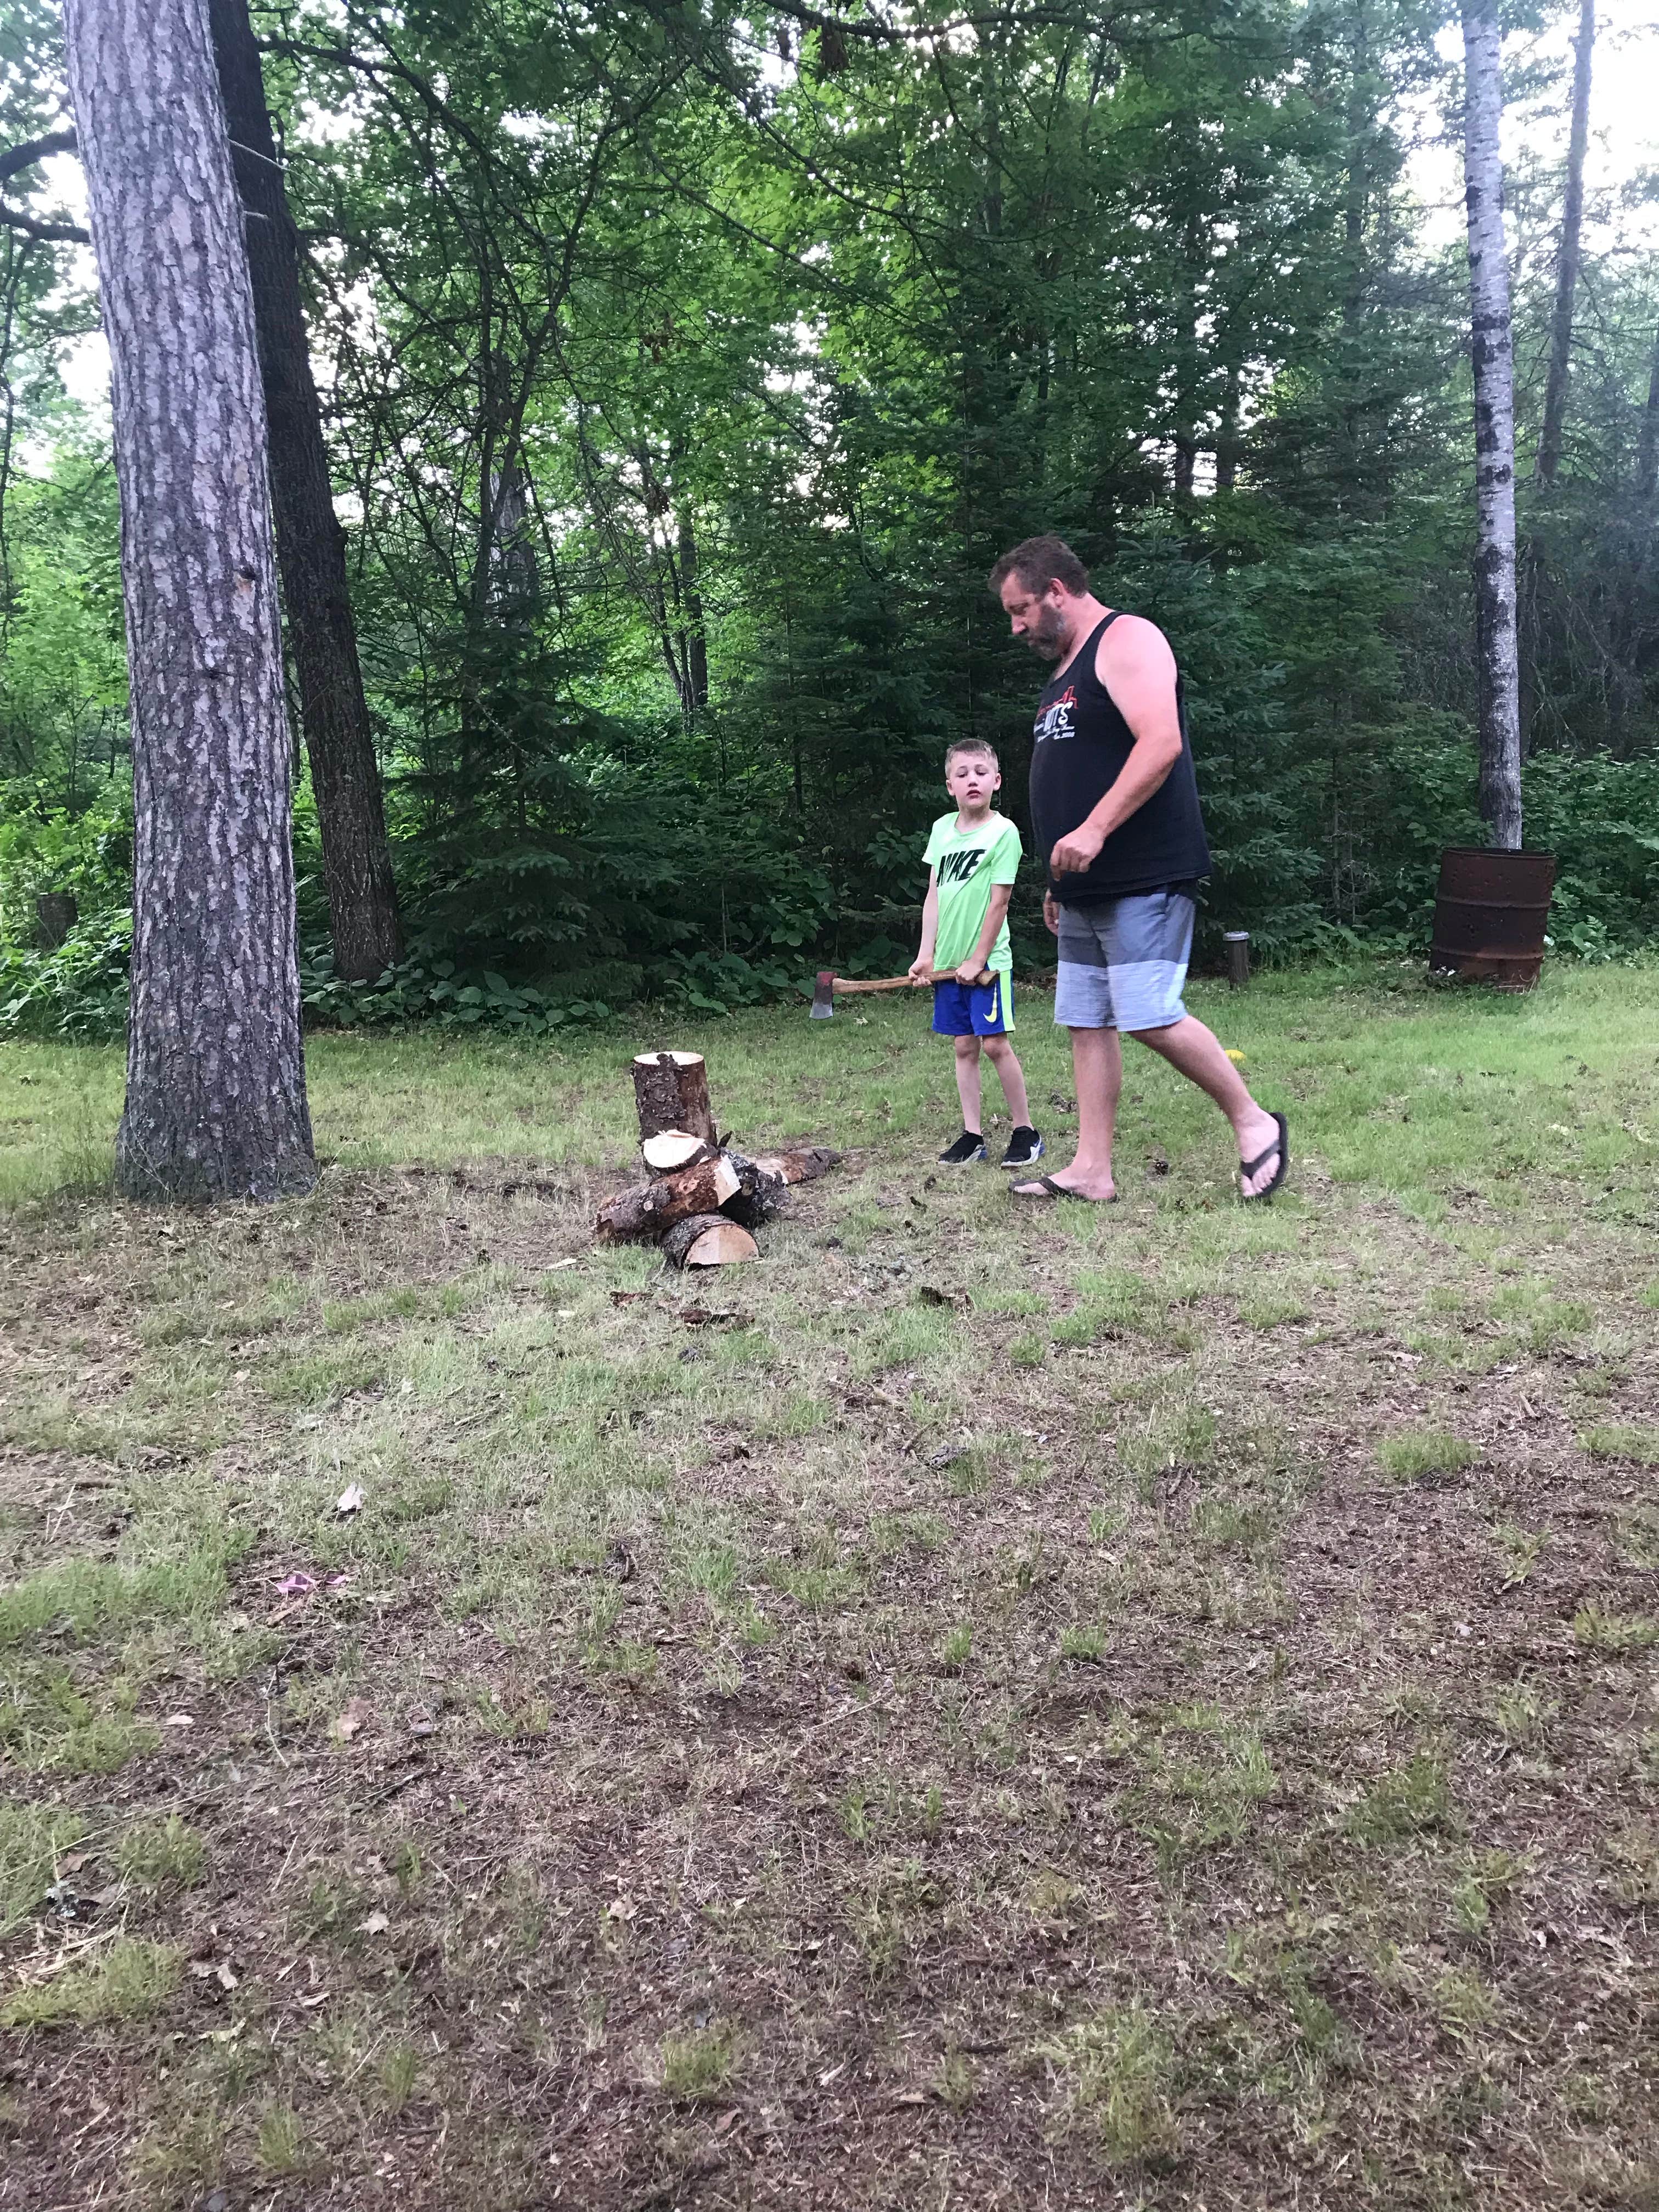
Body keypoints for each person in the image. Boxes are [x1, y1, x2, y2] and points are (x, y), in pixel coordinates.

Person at [989, 534, 1287, 1204]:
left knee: (1148, 1013)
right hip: (1085, 883)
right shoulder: (1065, 668)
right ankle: (1093, 1170)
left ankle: (1254, 1121)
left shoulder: (1128, 640)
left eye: (1021, 609)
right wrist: (1058, 881)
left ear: (1056, 592)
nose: (1015, 627)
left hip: (1143, 869)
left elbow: (1161, 742)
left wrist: (1095, 829)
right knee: (1088, 1020)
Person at [908, 739, 1045, 1169]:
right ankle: (973, 1136)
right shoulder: (942, 829)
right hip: (949, 965)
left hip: (988, 965)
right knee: (964, 1046)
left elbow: (999, 902)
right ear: (950, 785)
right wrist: (926, 955)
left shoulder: (1003, 832)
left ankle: (1026, 1132)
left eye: (981, 773)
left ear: (996, 781)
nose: (972, 780)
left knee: (994, 1046)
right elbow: (933, 895)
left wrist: (979, 959)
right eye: (962, 773)